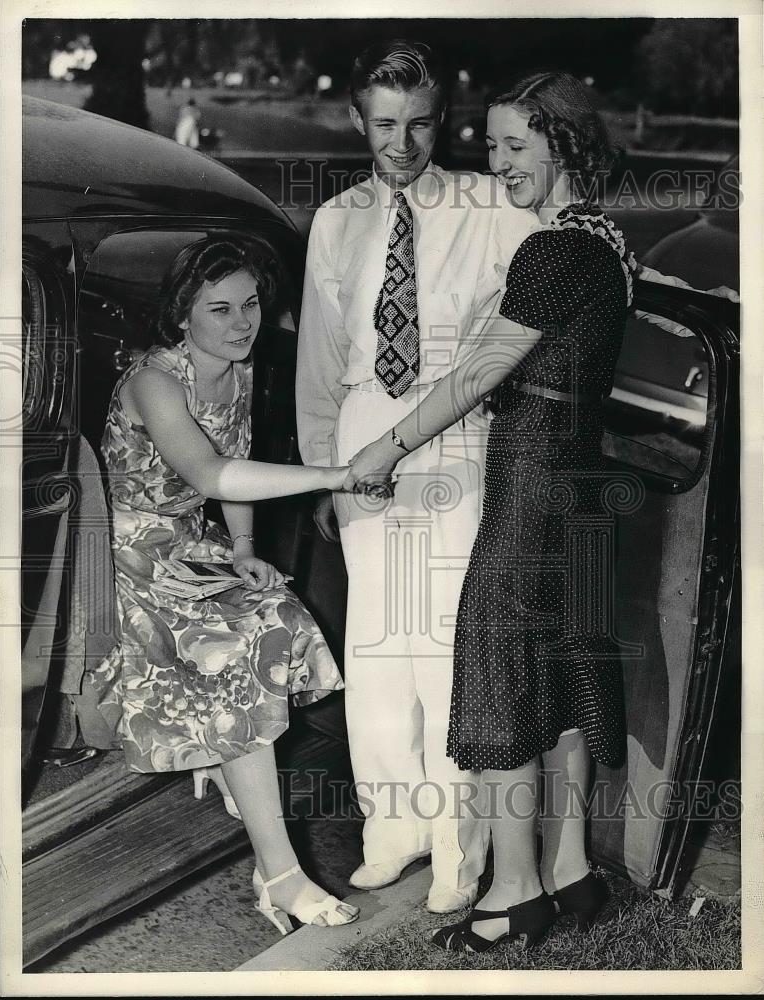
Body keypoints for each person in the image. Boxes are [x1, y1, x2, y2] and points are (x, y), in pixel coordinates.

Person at [345, 70, 644, 952]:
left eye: (517, 146)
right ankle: (572, 872)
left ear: (565, 144)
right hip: (581, 485)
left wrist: (385, 447)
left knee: (499, 672)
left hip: (534, 488)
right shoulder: (607, 243)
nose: (497, 161)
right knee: (564, 674)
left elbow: (479, 376)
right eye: (493, 144)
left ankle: (515, 893)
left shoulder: (555, 252)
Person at [295, 40, 540, 914]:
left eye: (423, 123)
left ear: (446, 120)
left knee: (442, 645)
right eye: (386, 124)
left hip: (454, 433)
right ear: (358, 119)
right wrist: (327, 465)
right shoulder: (335, 221)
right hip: (364, 436)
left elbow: (567, 272)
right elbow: (322, 361)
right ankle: (390, 830)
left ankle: (457, 850)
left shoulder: (488, 205)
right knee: (378, 643)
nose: (403, 143)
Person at [84, 236, 359, 934]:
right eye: (222, 309)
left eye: (253, 304)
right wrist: (333, 476)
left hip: (183, 546)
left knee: (278, 617)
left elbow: (233, 462)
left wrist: (239, 549)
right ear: (182, 315)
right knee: (232, 651)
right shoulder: (154, 381)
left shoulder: (236, 370)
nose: (244, 323)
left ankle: (228, 759)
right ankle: (283, 874)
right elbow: (210, 475)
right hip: (120, 551)